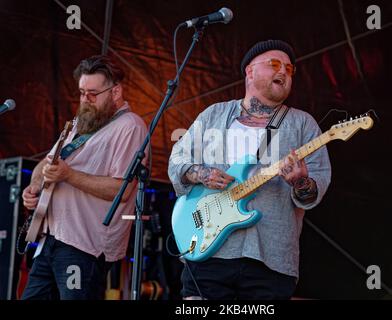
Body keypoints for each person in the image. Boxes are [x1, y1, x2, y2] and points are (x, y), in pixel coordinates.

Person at [168, 39, 332, 300]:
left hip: (271, 257)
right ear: (250, 71)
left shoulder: (303, 125)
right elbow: (177, 160)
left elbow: (315, 189)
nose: (283, 72)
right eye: (275, 64)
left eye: (289, 69)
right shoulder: (214, 114)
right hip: (208, 251)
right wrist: (203, 174)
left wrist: (301, 182)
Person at [21, 55, 148, 300]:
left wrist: (68, 174)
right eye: (81, 93)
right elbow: (47, 163)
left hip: (84, 246)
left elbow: (120, 190)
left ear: (116, 92)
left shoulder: (130, 126)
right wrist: (34, 187)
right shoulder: (78, 124)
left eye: (92, 93)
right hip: (50, 240)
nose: (85, 100)